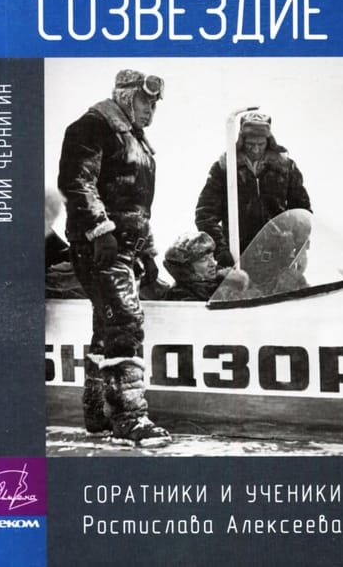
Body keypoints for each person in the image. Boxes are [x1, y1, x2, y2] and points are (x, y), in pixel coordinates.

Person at [58, 69, 171, 446]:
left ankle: (98, 412)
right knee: (125, 323)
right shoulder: (92, 127)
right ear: (125, 97)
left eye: (154, 103)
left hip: (125, 247)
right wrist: (99, 229)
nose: (151, 109)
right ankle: (129, 417)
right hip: (100, 247)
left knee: (107, 327)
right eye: (145, 101)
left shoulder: (135, 141)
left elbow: (137, 207)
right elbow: (77, 182)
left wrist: (148, 252)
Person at [195, 110, 311, 267]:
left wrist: (301, 249)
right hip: (239, 257)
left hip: (280, 256)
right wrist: (221, 251)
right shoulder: (224, 168)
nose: (255, 149)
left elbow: (302, 212)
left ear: (268, 141)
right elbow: (205, 214)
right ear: (242, 140)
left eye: (260, 144)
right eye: (250, 144)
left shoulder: (285, 167)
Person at [163, 231, 232, 301]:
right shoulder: (181, 295)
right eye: (203, 259)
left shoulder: (224, 283)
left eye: (211, 257)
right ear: (188, 267)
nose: (212, 264)